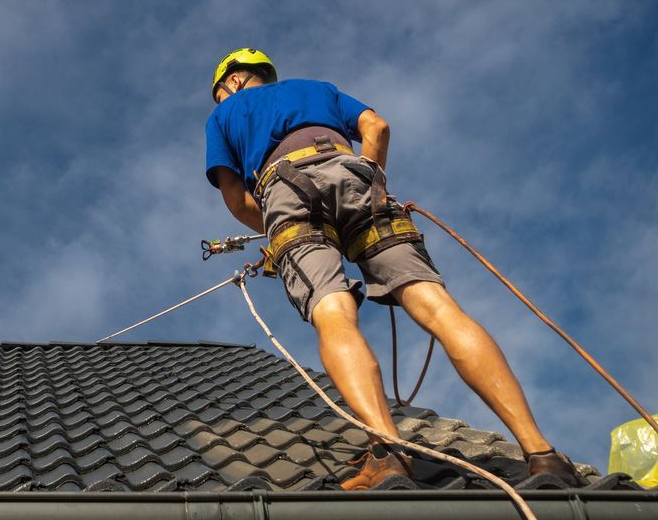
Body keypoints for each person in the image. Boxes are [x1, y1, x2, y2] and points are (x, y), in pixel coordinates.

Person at [204, 47, 583, 490]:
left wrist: (276, 230)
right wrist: (370, 187)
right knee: (437, 306)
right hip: (357, 175)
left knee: (333, 312)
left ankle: (387, 454)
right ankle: (541, 452)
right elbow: (376, 127)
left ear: (231, 82)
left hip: (284, 188)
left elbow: (236, 200)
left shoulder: (225, 115)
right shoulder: (316, 90)